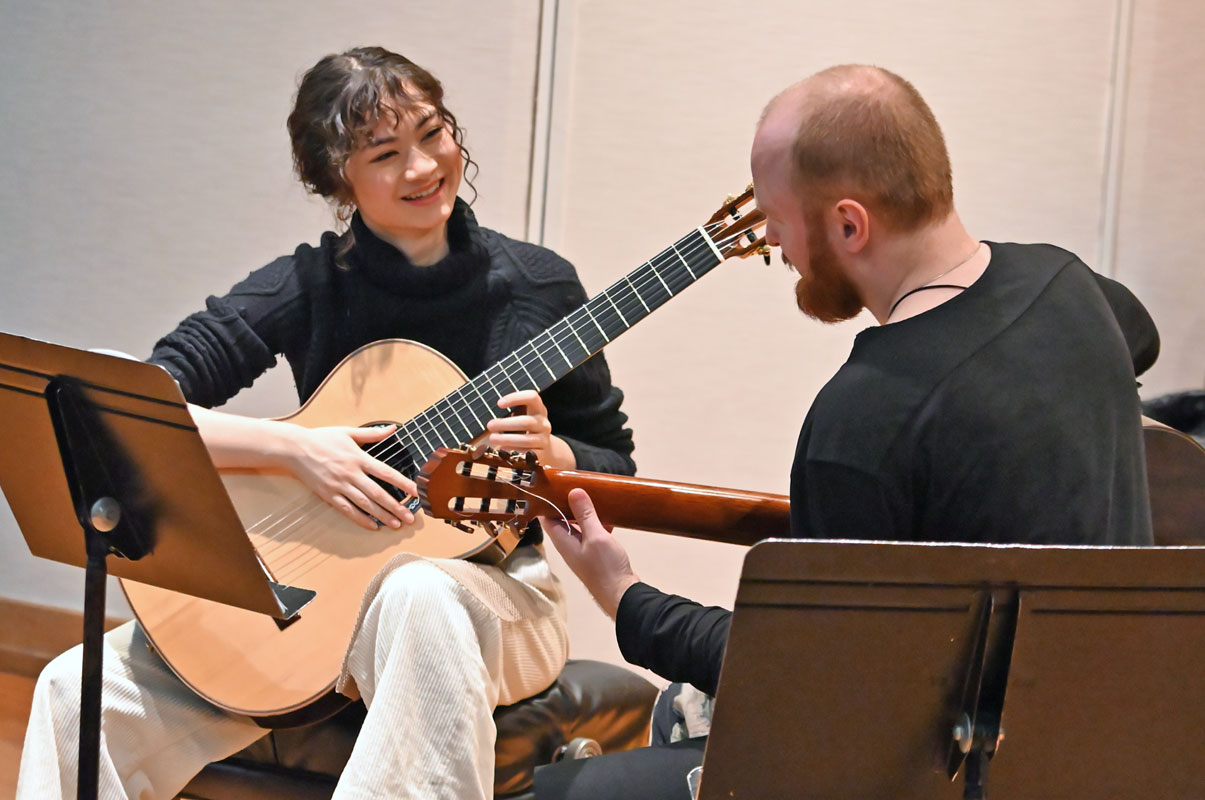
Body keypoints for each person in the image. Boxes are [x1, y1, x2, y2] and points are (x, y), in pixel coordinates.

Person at [18, 46, 635, 800]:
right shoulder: (307, 285)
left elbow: (616, 467)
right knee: (71, 690)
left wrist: (556, 451)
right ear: (336, 180)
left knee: (417, 591)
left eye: (433, 133)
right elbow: (136, 409)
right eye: (386, 153)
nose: (423, 167)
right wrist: (297, 450)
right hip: (315, 596)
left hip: (495, 592)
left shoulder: (538, 286)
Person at [535, 64, 1159, 799]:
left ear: (847, 224)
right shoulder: (1072, 287)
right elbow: (1136, 341)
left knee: (574, 791)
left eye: (774, 219)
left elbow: (801, 675)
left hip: (945, 774)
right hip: (1119, 751)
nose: (771, 244)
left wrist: (623, 594)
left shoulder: (862, 421)